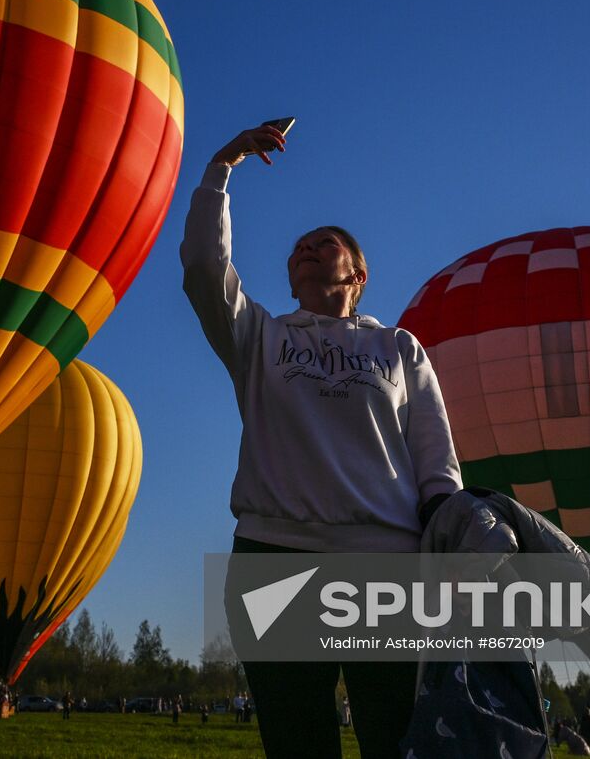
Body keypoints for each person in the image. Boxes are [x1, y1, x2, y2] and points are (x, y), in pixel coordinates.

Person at [181, 122, 461, 759]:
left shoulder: (397, 347)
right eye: (299, 246)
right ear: (287, 279)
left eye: (325, 242)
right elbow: (203, 268)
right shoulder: (261, 340)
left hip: (382, 565)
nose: (307, 247)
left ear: (358, 272)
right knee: (297, 740)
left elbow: (434, 453)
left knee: (393, 735)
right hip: (274, 555)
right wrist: (223, 166)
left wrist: (445, 530)